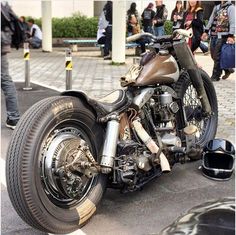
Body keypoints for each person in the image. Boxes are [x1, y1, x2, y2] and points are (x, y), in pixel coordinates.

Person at [202, 1, 235, 81]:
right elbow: (211, 19)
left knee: (217, 56)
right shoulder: (216, 7)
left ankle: (215, 76)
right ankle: (227, 69)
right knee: (213, 55)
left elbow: (233, 22)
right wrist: (206, 31)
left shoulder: (231, 7)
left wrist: (231, 35)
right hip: (213, 35)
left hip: (223, 36)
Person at [1, 2, 20, 129]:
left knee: (6, 80)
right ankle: (13, 118)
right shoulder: (3, 5)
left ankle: (14, 117)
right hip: (2, 45)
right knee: (6, 80)